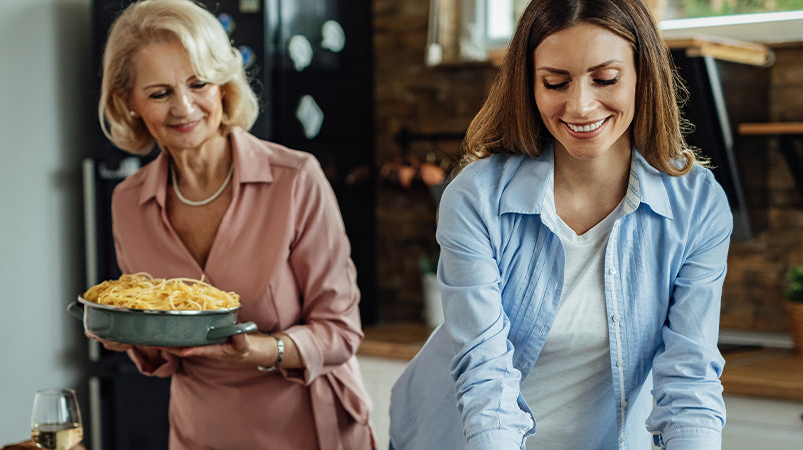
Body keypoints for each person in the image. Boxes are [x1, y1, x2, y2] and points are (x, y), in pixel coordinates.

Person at [389, 0, 732, 449]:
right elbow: (485, 375)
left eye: (605, 79)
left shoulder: (697, 204)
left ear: (643, 76)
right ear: (529, 84)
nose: (581, 105)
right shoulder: (476, 198)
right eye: (555, 82)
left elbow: (691, 380)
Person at [88, 1, 375, 448]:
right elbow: (159, 348)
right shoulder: (129, 201)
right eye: (159, 93)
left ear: (223, 85)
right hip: (201, 430)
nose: (184, 108)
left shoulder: (295, 179)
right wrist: (125, 335)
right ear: (129, 102)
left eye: (198, 83)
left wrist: (259, 349)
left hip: (307, 425)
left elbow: (340, 332)